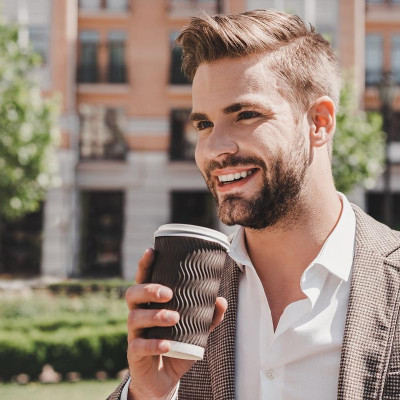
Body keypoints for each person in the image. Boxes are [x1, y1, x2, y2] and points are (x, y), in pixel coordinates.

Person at [108, 9, 400, 400]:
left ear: (319, 122)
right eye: (203, 124)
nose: (214, 148)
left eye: (245, 115)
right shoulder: (189, 301)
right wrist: (147, 394)